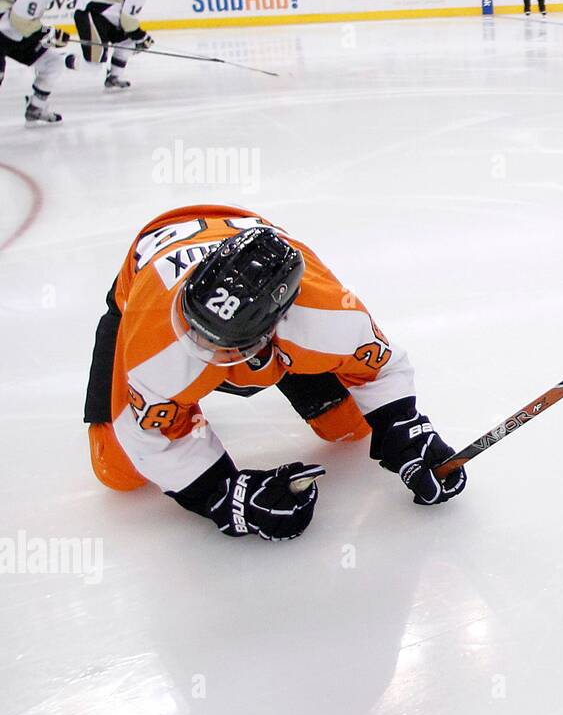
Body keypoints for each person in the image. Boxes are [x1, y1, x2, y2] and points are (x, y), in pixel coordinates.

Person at [83, 207, 467, 540]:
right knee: (119, 472)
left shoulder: (327, 317)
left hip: (269, 313)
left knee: (348, 427)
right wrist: (225, 495)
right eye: (200, 335)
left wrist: (404, 430)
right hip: (152, 269)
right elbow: (149, 437)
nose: (210, 355)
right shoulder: (156, 339)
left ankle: (264, 354)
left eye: (230, 347)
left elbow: (379, 368)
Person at [0, 0, 70, 123]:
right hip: (5, 33)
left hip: (10, 35)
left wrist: (47, 34)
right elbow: (21, 22)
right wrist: (49, 34)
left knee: (52, 62)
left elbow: (21, 23)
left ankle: (36, 107)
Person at [68, 0, 154, 90]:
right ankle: (56, 61)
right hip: (91, 14)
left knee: (127, 41)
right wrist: (142, 38)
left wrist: (139, 38)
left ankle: (114, 76)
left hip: (101, 16)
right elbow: (128, 21)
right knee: (93, 66)